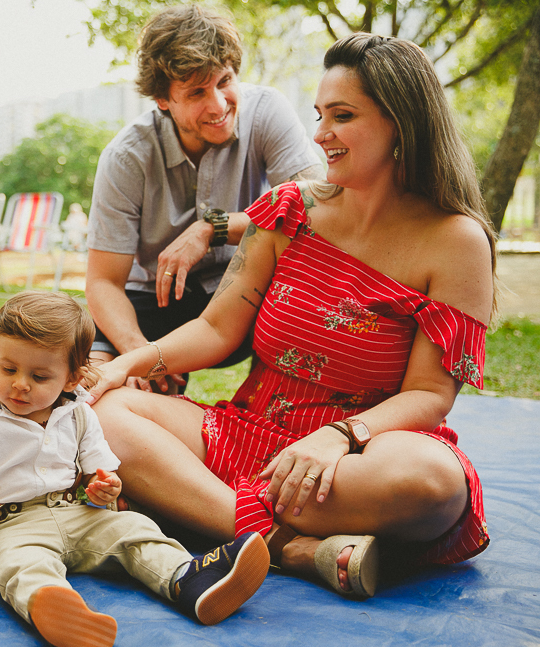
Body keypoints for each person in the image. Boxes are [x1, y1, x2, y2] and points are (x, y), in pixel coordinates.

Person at [87, 33, 496, 600]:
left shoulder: (457, 242)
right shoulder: (290, 209)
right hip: (252, 430)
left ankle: (207, 516)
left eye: (343, 116)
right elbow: (215, 328)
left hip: (362, 450)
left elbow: (430, 395)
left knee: (433, 483)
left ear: (401, 122)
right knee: (106, 413)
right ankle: (293, 548)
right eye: (320, 115)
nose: (321, 134)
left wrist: (338, 437)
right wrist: (124, 364)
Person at [0, 291, 269, 647]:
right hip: (10, 524)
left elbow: (98, 473)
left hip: (76, 512)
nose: (20, 384)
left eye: (39, 377)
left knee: (133, 529)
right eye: (8, 369)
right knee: (23, 566)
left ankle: (188, 579)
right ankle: (56, 611)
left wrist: (105, 486)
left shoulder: (79, 413)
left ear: (72, 378)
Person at [85, 5, 323, 393]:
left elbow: (318, 208)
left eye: (224, 81)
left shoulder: (266, 111)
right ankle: (149, 415)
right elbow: (103, 282)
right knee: (102, 376)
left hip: (246, 290)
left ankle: (272, 412)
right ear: (163, 100)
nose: (218, 105)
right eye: (196, 92)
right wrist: (138, 355)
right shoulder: (126, 156)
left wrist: (211, 230)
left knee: (309, 282)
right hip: (155, 301)